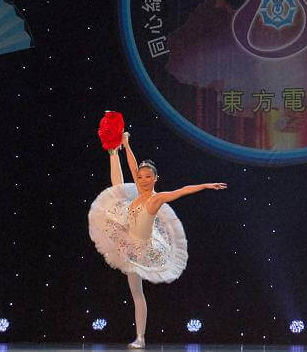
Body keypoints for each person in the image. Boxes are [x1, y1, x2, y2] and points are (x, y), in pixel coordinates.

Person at [88, 131, 226, 348]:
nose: (143, 180)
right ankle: (114, 152)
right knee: (118, 192)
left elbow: (182, 191)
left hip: (141, 247)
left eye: (147, 177)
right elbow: (133, 166)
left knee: (137, 293)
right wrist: (127, 144)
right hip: (126, 232)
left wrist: (205, 186)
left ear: (155, 179)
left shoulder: (156, 199)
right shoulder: (138, 189)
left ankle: (140, 337)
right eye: (140, 177)